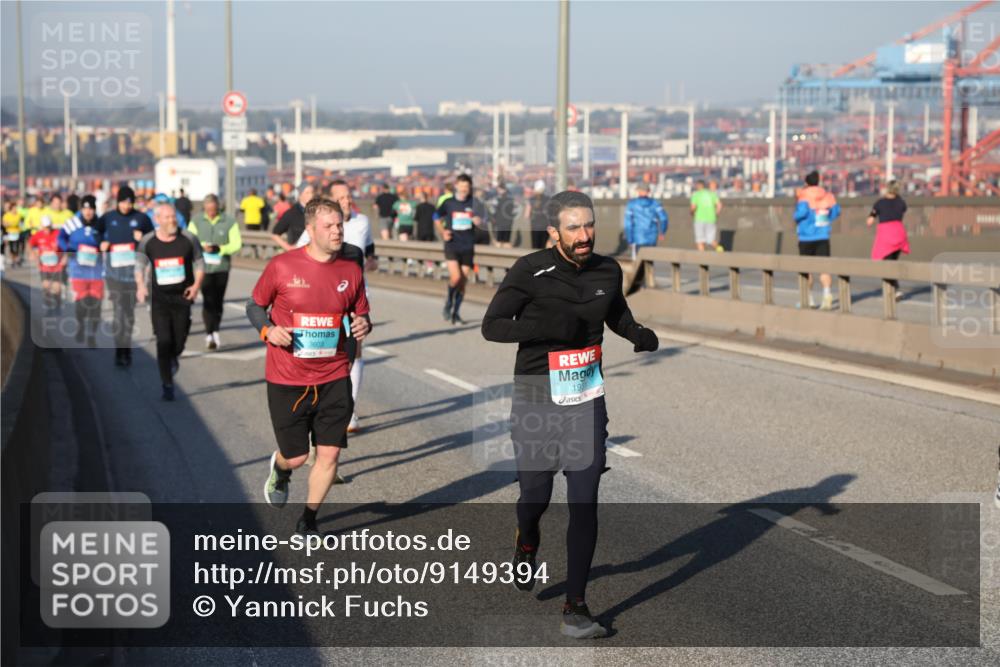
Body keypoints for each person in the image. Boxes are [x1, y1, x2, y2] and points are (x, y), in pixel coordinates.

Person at [481, 190, 660, 639]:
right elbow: (493, 326)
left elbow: (615, 310)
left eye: (589, 225)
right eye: (574, 228)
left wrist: (636, 332)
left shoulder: (607, 269)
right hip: (537, 394)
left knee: (584, 498)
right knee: (535, 497)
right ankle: (526, 540)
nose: (584, 236)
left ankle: (575, 606)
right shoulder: (530, 270)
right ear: (554, 232)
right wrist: (544, 328)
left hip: (585, 394)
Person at [246, 197, 371, 536]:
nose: (337, 231)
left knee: (329, 454)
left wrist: (362, 325)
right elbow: (255, 306)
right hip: (288, 377)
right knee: (298, 456)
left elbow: (360, 314)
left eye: (340, 225)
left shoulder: (351, 269)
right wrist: (269, 330)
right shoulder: (282, 266)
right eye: (329, 226)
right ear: (311, 229)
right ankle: (282, 468)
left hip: (334, 375)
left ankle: (309, 519)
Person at [295, 181, 376, 434]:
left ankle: (349, 409)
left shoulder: (362, 223)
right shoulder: (318, 225)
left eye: (348, 196)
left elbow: (370, 250)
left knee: (355, 353)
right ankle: (314, 409)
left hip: (353, 298)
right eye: (340, 198)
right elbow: (298, 256)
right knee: (324, 357)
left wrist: (371, 261)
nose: (346, 201)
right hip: (321, 304)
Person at [135, 203, 204, 401]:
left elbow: (199, 262)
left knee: (179, 342)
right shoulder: (148, 241)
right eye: (167, 217)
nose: (172, 220)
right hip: (159, 300)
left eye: (173, 216)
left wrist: (196, 286)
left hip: (183, 298)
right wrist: (140, 286)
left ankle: (174, 357)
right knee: (163, 341)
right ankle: (167, 383)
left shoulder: (188, 238)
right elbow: (139, 265)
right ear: (157, 219)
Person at [96, 185, 155, 367]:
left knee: (128, 314)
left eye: (130, 202)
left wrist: (142, 237)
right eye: (123, 202)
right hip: (113, 274)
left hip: (133, 274)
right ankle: (119, 351)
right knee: (118, 312)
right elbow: (96, 233)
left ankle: (126, 349)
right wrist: (101, 243)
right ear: (118, 202)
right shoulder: (108, 217)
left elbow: (153, 238)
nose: (126, 206)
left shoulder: (141, 218)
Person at [189, 194, 243, 350]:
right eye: (208, 210)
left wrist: (221, 249)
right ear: (204, 208)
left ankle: (216, 329)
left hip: (221, 267)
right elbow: (189, 240)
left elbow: (236, 244)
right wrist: (201, 247)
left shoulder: (229, 221)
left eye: (213, 209)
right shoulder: (196, 221)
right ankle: (209, 333)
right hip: (203, 269)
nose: (211, 212)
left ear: (218, 207)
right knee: (208, 300)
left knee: (218, 301)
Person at [434, 174, 485, 325]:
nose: (464, 189)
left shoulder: (475, 203)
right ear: (456, 186)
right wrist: (442, 232)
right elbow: (436, 216)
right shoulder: (449, 202)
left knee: (462, 282)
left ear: (470, 188)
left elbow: (485, 219)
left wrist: (479, 221)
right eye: (461, 186)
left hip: (468, 245)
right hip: (452, 244)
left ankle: (456, 313)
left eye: (467, 187)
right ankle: (448, 302)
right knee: (455, 278)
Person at [59, 195, 104, 347]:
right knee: (83, 304)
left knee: (96, 306)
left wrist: (105, 245)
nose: (88, 212)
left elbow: (108, 239)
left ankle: (91, 336)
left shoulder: (100, 224)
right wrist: (68, 249)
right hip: (78, 270)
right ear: (81, 209)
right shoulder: (73, 222)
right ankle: (81, 326)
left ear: (94, 209)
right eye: (85, 209)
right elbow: (60, 238)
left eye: (91, 209)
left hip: (97, 271)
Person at [794, 170, 840, 310]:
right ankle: (827, 296)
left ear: (807, 183)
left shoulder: (804, 196)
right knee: (824, 268)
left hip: (806, 237)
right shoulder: (826, 195)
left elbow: (800, 214)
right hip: (823, 236)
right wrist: (826, 221)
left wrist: (796, 207)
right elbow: (836, 211)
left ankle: (809, 299)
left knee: (806, 270)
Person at [867, 180, 910, 297]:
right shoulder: (901, 202)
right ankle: (892, 289)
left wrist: (871, 217)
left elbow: (870, 219)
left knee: (885, 264)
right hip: (899, 233)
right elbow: (902, 209)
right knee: (892, 262)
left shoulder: (880, 203)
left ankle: (894, 289)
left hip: (886, 234)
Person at [27, 217, 65, 314]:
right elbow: (29, 244)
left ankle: (58, 305)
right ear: (42, 227)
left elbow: (66, 245)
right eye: (45, 227)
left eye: (48, 227)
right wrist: (33, 255)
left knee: (57, 288)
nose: (47, 230)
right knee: (46, 286)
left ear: (51, 226)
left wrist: (65, 257)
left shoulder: (58, 234)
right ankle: (48, 307)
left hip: (57, 266)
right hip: (44, 266)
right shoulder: (38, 235)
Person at [624, 183, 668, 260]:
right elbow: (663, 218)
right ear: (648, 191)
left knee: (638, 262)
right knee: (650, 260)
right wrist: (662, 231)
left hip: (637, 237)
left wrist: (630, 239)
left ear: (638, 191)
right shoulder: (656, 203)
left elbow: (628, 224)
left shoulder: (631, 204)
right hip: (652, 236)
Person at [271, 183, 314, 251]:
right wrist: (288, 248)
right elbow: (275, 234)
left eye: (312, 192)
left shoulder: (317, 212)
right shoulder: (291, 213)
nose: (311, 195)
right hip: (298, 255)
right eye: (307, 193)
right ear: (300, 195)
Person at [690, 180, 723, 252]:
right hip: (711, 219)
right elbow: (719, 205)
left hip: (699, 219)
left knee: (700, 240)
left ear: (698, 186)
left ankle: (702, 261)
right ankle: (720, 250)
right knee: (710, 240)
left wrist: (692, 213)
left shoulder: (696, 195)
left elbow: (693, 207)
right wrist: (716, 214)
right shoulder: (712, 194)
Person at [524, 180, 550, 250]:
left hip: (535, 226)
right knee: (543, 247)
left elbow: (526, 215)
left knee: (535, 247)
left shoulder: (531, 199)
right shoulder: (548, 199)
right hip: (545, 226)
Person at [492, 183, 516, 248]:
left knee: (501, 241)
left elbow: (494, 211)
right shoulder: (510, 199)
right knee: (504, 241)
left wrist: (494, 218)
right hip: (505, 221)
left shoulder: (497, 199)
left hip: (502, 221)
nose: (498, 191)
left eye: (499, 189)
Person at [3, 200, 24, 267]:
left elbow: (21, 223)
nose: (15, 209)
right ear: (11, 208)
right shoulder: (7, 215)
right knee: (12, 247)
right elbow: (4, 223)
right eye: (13, 208)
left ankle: (16, 259)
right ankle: (13, 260)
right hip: (10, 233)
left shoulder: (19, 215)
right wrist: (10, 224)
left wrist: (19, 225)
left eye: (16, 208)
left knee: (17, 247)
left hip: (17, 233)